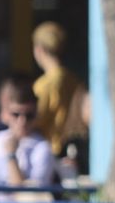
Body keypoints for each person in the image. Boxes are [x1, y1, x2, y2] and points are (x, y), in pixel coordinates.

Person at [0, 75, 56, 189]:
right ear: (5, 113)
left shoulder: (42, 148)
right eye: (16, 114)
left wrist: (11, 156)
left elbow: (26, 198)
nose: (22, 121)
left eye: (29, 115)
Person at [30, 21, 86, 161]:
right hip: (73, 150)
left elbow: (34, 120)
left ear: (39, 49)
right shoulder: (73, 79)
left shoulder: (44, 85)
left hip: (50, 152)